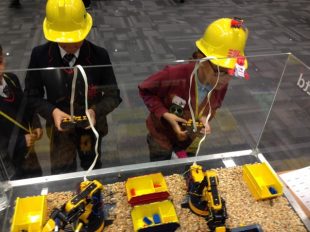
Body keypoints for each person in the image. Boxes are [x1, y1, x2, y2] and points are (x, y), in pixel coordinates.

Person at [25, 0, 122, 174]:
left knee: (91, 167)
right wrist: (52, 111)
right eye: (63, 41)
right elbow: (32, 95)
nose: (70, 47)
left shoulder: (99, 56)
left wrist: (95, 111)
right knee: (62, 170)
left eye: (76, 40)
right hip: (59, 128)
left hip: (90, 127)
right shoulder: (39, 55)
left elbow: (113, 95)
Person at [139, 17, 249, 161]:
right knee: (160, 165)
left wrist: (205, 117)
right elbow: (145, 90)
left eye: (231, 72)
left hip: (190, 136)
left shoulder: (220, 83)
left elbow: (215, 105)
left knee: (189, 166)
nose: (225, 79)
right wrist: (164, 114)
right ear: (200, 59)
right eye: (219, 71)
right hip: (162, 134)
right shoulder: (173, 74)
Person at [0, 44, 43, 180]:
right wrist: (21, 141)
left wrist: (36, 123)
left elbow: (26, 105)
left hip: (29, 154)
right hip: (8, 164)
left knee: (36, 181)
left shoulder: (11, 79)